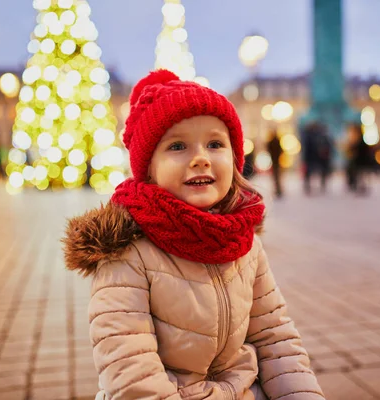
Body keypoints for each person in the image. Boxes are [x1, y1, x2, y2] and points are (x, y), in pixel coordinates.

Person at [63, 70, 324, 400]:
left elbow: (276, 339)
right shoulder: (127, 252)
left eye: (215, 143)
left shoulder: (243, 242)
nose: (201, 158)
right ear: (149, 169)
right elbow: (131, 371)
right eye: (177, 146)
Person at [300, 122, 332, 195]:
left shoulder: (313, 136)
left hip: (314, 158)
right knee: (310, 173)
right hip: (313, 157)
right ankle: (310, 186)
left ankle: (316, 185)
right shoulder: (315, 136)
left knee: (313, 172)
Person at [266, 129, 283, 198]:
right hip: (277, 161)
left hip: (274, 161)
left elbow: (268, 149)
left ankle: (277, 190)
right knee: (277, 176)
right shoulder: (277, 141)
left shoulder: (271, 141)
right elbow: (281, 150)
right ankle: (278, 190)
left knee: (275, 176)